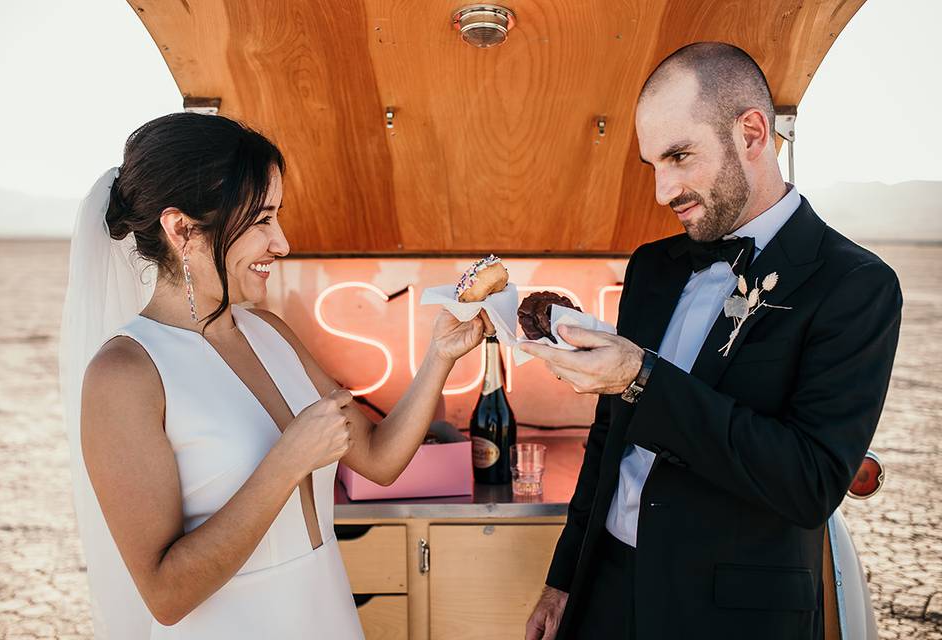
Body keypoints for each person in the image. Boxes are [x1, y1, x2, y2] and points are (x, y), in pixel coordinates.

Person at [522, 42, 903, 640]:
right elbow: (609, 440)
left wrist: (640, 380)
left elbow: (809, 484)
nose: (662, 190)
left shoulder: (857, 285)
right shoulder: (652, 266)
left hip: (732, 617)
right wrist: (564, 578)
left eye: (679, 156)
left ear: (753, 132)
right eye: (654, 165)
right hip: (606, 594)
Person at [60, 112, 488, 639]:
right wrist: (287, 461)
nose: (282, 244)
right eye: (262, 221)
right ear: (182, 230)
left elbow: (378, 459)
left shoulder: (269, 331)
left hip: (327, 615)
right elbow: (165, 595)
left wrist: (440, 356)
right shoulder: (124, 375)